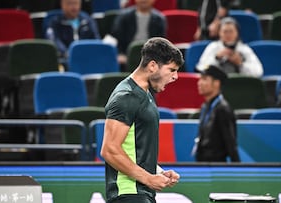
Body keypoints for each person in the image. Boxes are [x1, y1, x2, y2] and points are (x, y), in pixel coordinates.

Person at [100, 37, 184, 203]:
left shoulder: (146, 94)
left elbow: (136, 150)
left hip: (141, 193)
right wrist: (148, 178)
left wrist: (157, 172)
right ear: (152, 66)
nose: (176, 77)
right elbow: (109, 149)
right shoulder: (126, 97)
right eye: (172, 70)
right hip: (128, 194)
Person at [193, 65, 240, 162]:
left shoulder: (223, 109)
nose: (199, 83)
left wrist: (237, 170)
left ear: (216, 83)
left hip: (215, 167)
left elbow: (231, 144)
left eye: (204, 79)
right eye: (200, 79)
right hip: (203, 164)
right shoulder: (205, 106)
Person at [196, 17, 263, 77]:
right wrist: (216, 58)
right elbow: (201, 68)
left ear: (237, 33)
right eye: (225, 32)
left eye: (231, 31)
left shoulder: (244, 49)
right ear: (219, 33)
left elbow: (258, 72)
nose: (228, 35)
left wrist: (240, 64)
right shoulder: (213, 47)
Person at [111, 0, 166, 70]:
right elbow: (116, 38)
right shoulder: (123, 17)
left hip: (150, 56)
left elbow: (161, 43)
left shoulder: (159, 19)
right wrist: (120, 54)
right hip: (126, 55)